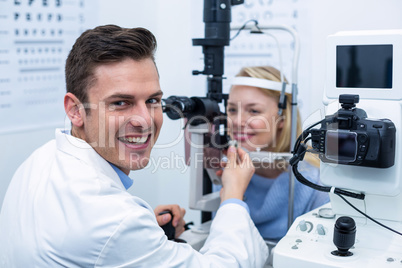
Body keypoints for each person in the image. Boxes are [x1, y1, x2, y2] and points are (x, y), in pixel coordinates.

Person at [0, 25, 268, 267]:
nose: (144, 121)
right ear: (75, 110)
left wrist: (146, 233)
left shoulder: (40, 160)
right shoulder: (115, 220)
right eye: (120, 102)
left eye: (152, 100)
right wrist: (232, 196)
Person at [219, 65, 330, 242]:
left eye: (254, 111)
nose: (237, 121)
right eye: (232, 109)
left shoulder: (315, 184)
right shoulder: (226, 172)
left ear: (281, 119)